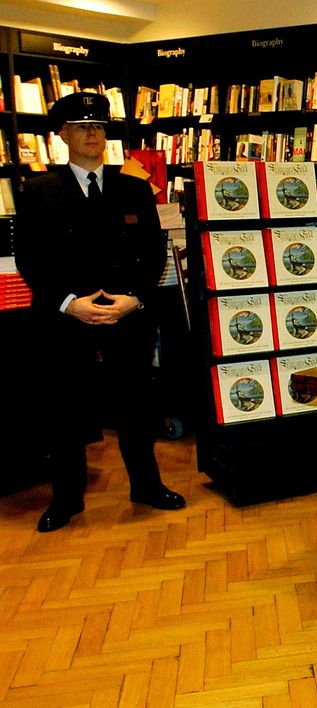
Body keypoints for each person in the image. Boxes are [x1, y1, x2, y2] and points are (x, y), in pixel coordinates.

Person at [14, 92, 186, 533]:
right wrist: (69, 303)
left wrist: (137, 298)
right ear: (63, 134)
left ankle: (147, 485)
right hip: (66, 319)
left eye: (98, 126)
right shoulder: (38, 192)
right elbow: (30, 258)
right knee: (65, 411)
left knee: (136, 407)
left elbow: (153, 251)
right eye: (82, 127)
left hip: (126, 316)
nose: (92, 134)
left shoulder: (134, 188)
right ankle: (66, 499)